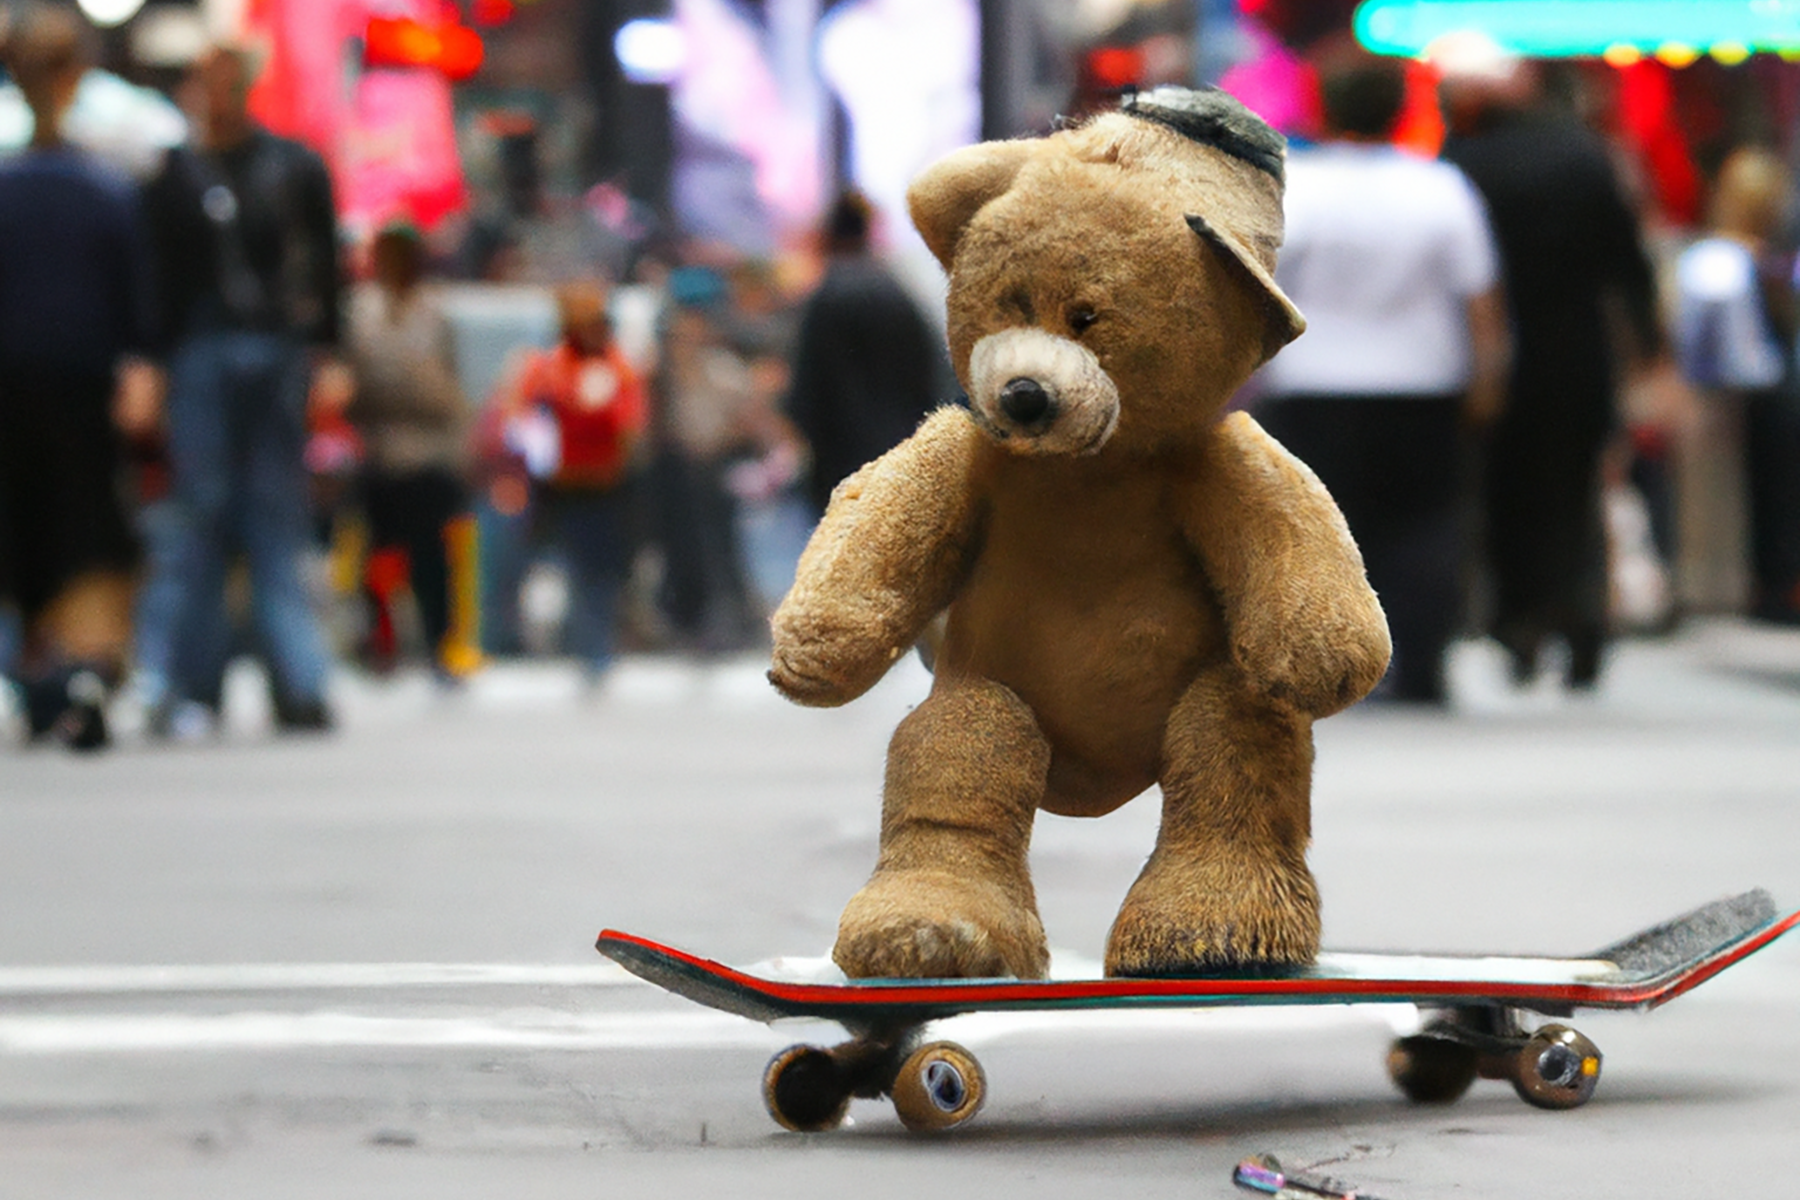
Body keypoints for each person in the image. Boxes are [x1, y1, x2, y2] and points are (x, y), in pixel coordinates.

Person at [1255, 50, 1508, 705]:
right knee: (1424, 527)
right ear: (1402, 109)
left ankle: (1331, 673)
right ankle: (1422, 666)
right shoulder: (1440, 187)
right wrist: (1487, 381)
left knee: (1320, 537)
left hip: (1313, 388)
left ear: (1324, 108)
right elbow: (1481, 298)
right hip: (1423, 386)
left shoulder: (1296, 186)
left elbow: (1263, 291)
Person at [1437, 37, 1670, 689]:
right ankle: (1584, 619)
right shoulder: (1582, 156)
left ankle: (1520, 623)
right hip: (1578, 356)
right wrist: (1650, 344)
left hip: (1495, 361)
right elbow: (1628, 260)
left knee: (1506, 492)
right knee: (1576, 490)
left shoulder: (1463, 162)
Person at [139, 43, 345, 733]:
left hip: (274, 352)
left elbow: (327, 265)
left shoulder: (292, 164)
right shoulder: (174, 175)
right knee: (198, 518)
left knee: (275, 516)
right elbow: (156, 281)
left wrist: (331, 355)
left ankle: (300, 679)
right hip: (197, 355)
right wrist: (148, 364)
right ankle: (188, 683)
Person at [0, 7, 159, 750]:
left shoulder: (32, 185)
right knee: (86, 528)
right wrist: (141, 369)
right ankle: (84, 667)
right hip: (81, 384)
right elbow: (139, 302)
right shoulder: (106, 186)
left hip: (20, 383)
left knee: (27, 526)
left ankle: (42, 670)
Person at [493, 281, 647, 676]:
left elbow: (629, 425)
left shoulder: (616, 367)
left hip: (602, 485)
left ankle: (593, 649)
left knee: (598, 571)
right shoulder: (544, 366)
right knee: (526, 561)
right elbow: (519, 418)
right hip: (553, 486)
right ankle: (507, 638)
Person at [340, 220, 471, 675]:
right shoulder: (361, 311)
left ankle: (441, 643)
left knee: (432, 560)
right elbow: (354, 383)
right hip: (379, 454)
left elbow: (444, 390)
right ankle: (381, 640)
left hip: (427, 456)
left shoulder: (434, 313)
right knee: (377, 556)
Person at [783, 190, 942, 517]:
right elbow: (931, 376)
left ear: (827, 235)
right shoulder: (899, 291)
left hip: (842, 465)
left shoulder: (826, 295)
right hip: (901, 459)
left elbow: (809, 390)